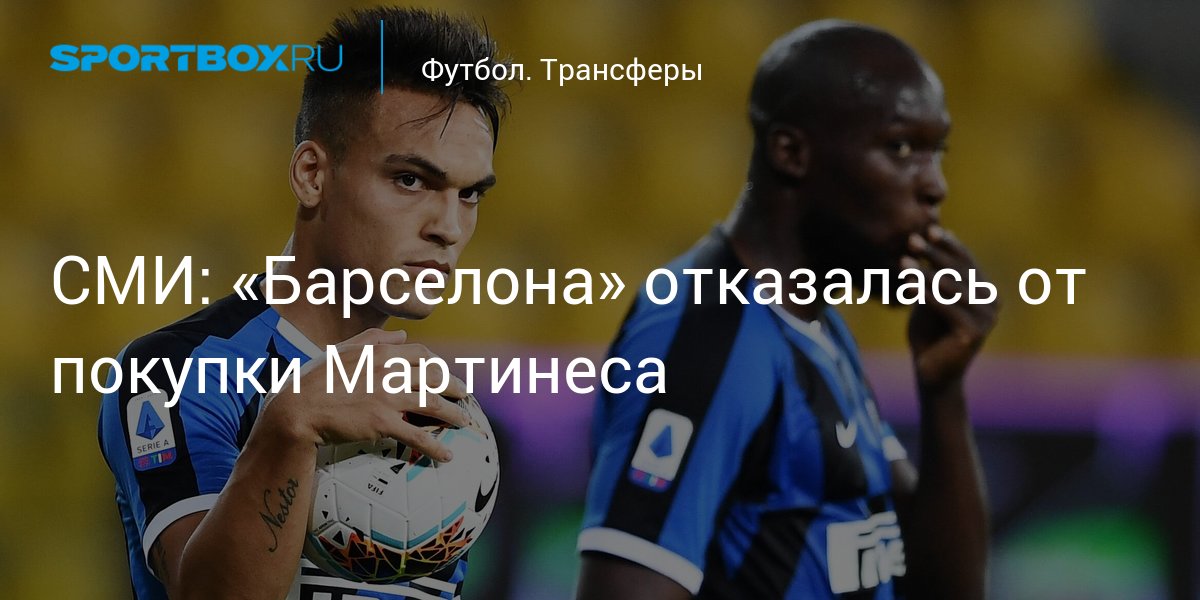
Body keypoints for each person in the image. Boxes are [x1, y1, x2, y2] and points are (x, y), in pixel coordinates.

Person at [97, 7, 509, 600]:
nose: (448, 227)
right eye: (410, 180)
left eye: (469, 194)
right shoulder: (174, 372)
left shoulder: (442, 411)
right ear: (312, 174)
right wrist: (288, 426)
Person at [577, 20, 996, 600]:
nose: (935, 186)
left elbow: (941, 590)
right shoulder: (705, 331)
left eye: (936, 152)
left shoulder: (813, 323)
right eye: (900, 148)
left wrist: (943, 393)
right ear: (791, 153)